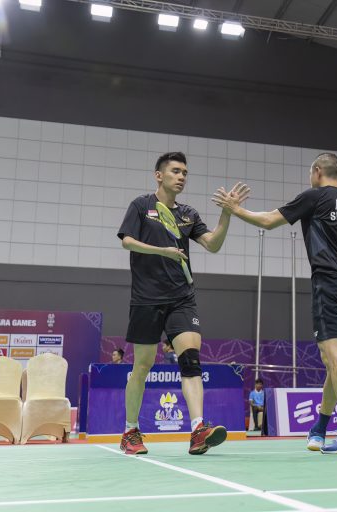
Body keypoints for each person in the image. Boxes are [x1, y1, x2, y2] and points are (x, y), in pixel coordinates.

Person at [212, 152, 337, 455]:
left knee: (334, 357)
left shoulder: (315, 197)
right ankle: (320, 427)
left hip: (329, 283)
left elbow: (268, 221)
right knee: (336, 359)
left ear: (318, 172)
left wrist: (235, 209)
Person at [117, 151, 248, 456]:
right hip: (146, 298)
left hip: (181, 297)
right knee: (142, 366)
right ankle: (130, 431)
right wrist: (163, 251)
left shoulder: (188, 214)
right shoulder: (141, 205)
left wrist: (227, 213)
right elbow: (126, 241)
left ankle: (198, 430)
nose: (182, 176)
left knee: (190, 359)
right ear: (159, 175)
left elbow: (212, 244)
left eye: (185, 172)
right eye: (176, 171)